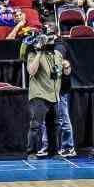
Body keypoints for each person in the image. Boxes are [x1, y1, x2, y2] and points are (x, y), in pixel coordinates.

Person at [22, 28, 65, 159]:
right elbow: (31, 71)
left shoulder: (57, 54)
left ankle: (54, 152)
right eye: (47, 37)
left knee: (55, 126)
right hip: (39, 94)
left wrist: (67, 67)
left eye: (52, 37)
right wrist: (39, 52)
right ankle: (32, 152)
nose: (49, 40)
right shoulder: (33, 53)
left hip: (54, 94)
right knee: (36, 125)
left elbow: (62, 73)